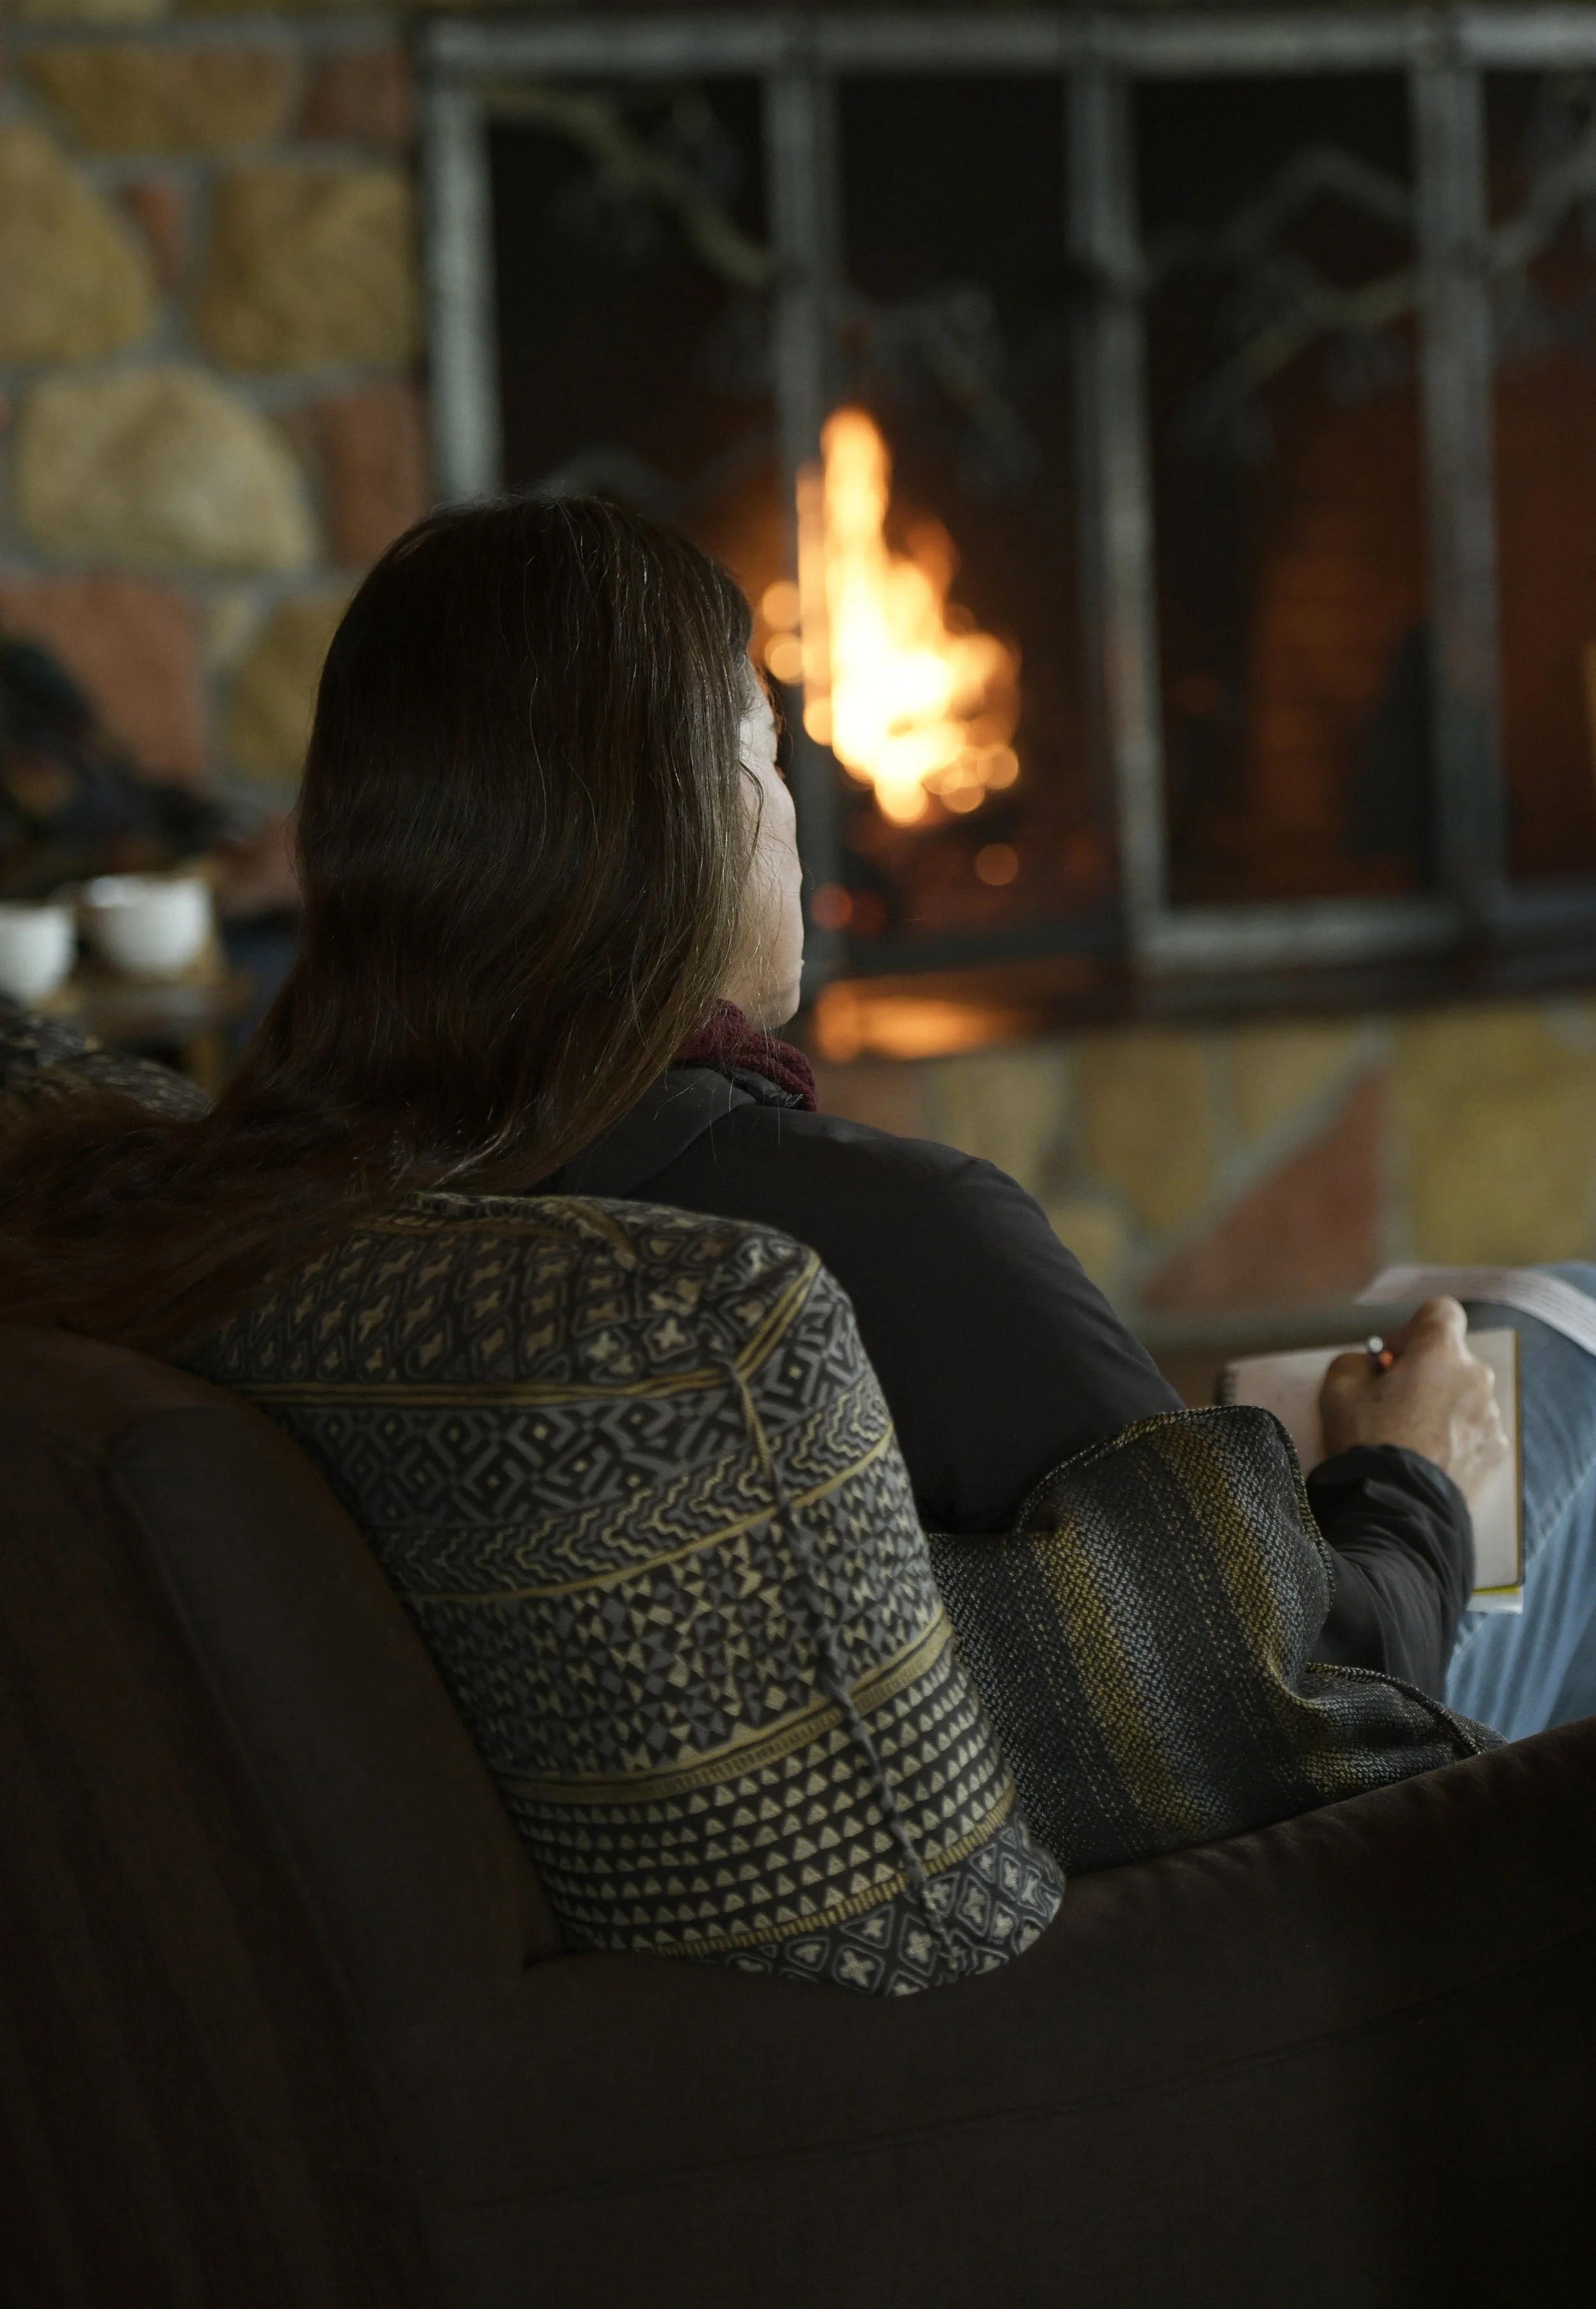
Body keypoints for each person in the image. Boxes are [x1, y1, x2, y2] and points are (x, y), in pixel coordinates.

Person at [0, 496, 1587, 1748]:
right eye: (766, 759)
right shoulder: (854, 1252)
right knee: (1553, 1385)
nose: (793, 811)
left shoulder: (237, 1212)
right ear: (678, 834)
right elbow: (1297, 1673)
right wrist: (1411, 1482)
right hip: (1233, 1955)